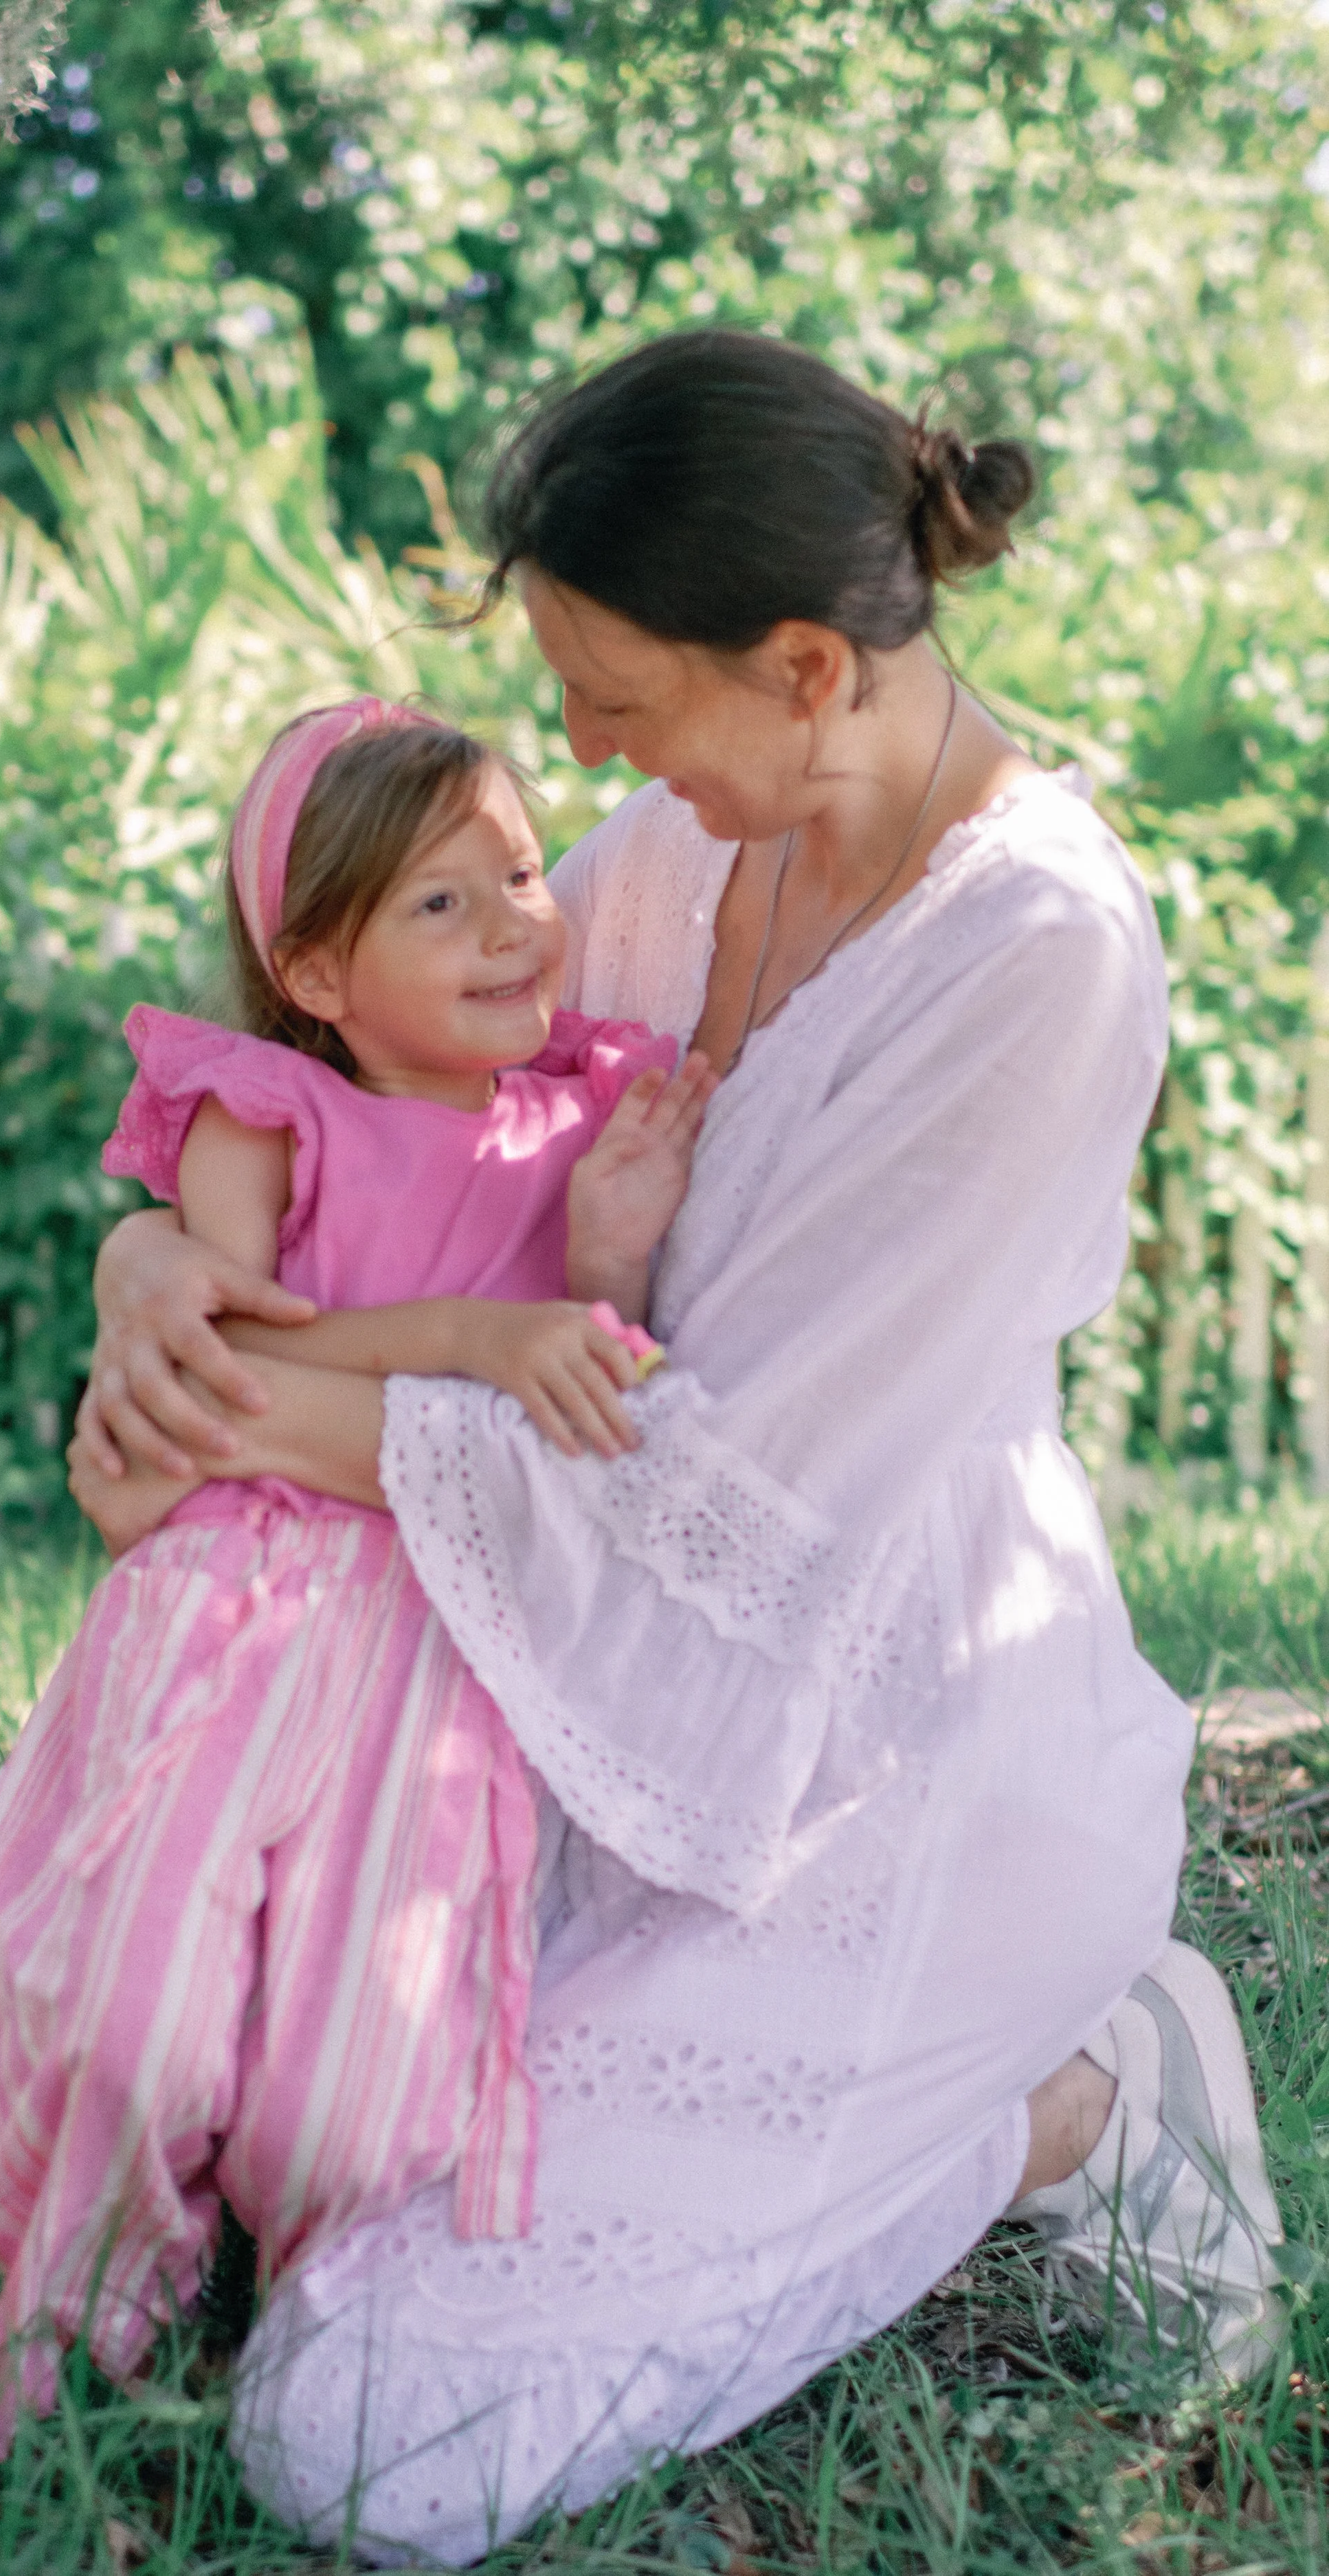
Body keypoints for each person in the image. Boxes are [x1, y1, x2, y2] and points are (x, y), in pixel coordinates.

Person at [69, 332, 1286, 2565]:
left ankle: (1078, 2100)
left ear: (807, 661)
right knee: (278, 2220)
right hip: (570, 1704)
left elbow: (710, 1502)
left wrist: (230, 1413)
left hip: (890, 1752)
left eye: (616, 700)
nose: (580, 754)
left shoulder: (1036, 955)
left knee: (369, 2443)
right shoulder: (661, 865)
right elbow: (365, 1095)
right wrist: (157, 1266)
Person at [0, 696, 715, 2460]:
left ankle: (313, 2315)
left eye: (520, 873)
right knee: (131, 2013)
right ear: (308, 970)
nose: (515, 919)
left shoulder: (583, 1116)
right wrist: (461, 1334)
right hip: (235, 1603)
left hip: (445, 1645)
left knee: (352, 2119)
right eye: (438, 904)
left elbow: (599, 1392)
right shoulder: (262, 1116)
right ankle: (73, 2329)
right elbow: (220, 1385)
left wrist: (603, 1255)